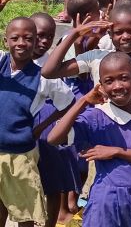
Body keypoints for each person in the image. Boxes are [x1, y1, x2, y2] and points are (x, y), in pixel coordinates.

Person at [48, 52, 131, 226]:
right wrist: (83, 101)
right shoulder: (96, 117)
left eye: (123, 78)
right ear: (101, 85)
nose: (117, 86)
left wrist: (118, 152)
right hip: (107, 200)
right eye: (109, 81)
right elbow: (54, 139)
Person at [0, 17, 74, 227]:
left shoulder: (44, 77)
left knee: (26, 211)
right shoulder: (1, 63)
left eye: (28, 38)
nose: (21, 43)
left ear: (34, 42)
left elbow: (68, 102)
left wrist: (41, 127)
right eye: (15, 38)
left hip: (20, 154)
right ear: (6, 41)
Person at [42, 4, 131, 107]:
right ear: (110, 34)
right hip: (102, 129)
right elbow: (49, 72)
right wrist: (74, 34)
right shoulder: (96, 57)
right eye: (118, 32)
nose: (126, 36)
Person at [30, 13, 78, 227]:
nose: (43, 41)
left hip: (45, 122)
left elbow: (68, 101)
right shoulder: (10, 59)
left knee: (52, 182)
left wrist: (43, 126)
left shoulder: (50, 63)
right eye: (38, 35)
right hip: (17, 125)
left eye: (49, 37)